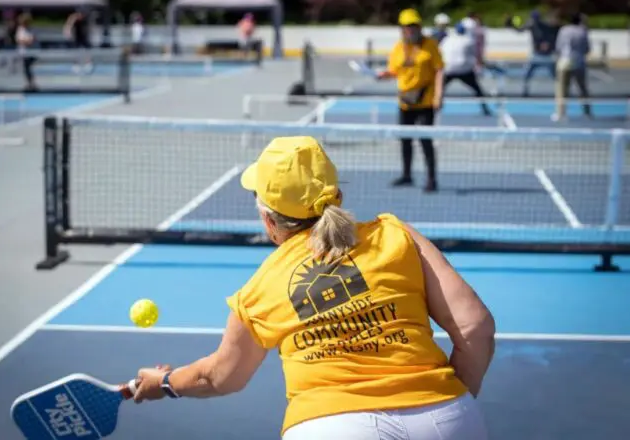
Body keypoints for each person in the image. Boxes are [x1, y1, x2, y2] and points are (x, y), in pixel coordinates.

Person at [130, 135, 495, 440]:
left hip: (333, 426)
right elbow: (475, 326)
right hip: (447, 419)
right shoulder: (395, 235)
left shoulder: (262, 285)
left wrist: (163, 382)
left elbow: (218, 377)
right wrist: (446, 401)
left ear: (268, 219)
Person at [376, 8, 444, 192]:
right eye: (407, 26)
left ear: (420, 26)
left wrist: (438, 95)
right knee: (405, 139)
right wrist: (384, 75)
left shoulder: (430, 45)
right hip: (405, 101)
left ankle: (431, 179)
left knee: (425, 141)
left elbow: (439, 70)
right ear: (402, 28)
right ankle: (407, 175)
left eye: (414, 25)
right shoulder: (398, 47)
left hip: (425, 101)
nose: (411, 29)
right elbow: (394, 70)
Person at [440, 22, 491, 116]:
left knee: (439, 89)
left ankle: (435, 106)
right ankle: (485, 108)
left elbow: (442, 53)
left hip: (449, 69)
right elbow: (475, 56)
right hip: (464, 70)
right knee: (478, 90)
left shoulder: (447, 39)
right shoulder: (469, 40)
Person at [508, 10, 559, 96]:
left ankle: (560, 92)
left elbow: (554, 33)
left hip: (546, 55)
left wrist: (549, 45)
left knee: (555, 76)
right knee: (527, 74)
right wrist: (512, 26)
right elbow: (520, 30)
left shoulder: (546, 25)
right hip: (537, 55)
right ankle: (524, 91)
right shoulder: (531, 24)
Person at [553, 12, 592, 122]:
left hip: (565, 61)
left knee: (562, 89)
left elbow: (558, 46)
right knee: (582, 88)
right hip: (579, 62)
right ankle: (587, 112)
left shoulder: (563, 30)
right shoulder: (583, 31)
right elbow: (587, 49)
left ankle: (561, 113)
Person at [15, 13, 38, 91]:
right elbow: (18, 40)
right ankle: (30, 84)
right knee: (26, 69)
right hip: (23, 53)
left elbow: (30, 41)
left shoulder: (32, 30)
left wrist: (24, 41)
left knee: (28, 68)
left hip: (31, 53)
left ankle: (31, 84)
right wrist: (24, 41)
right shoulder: (20, 29)